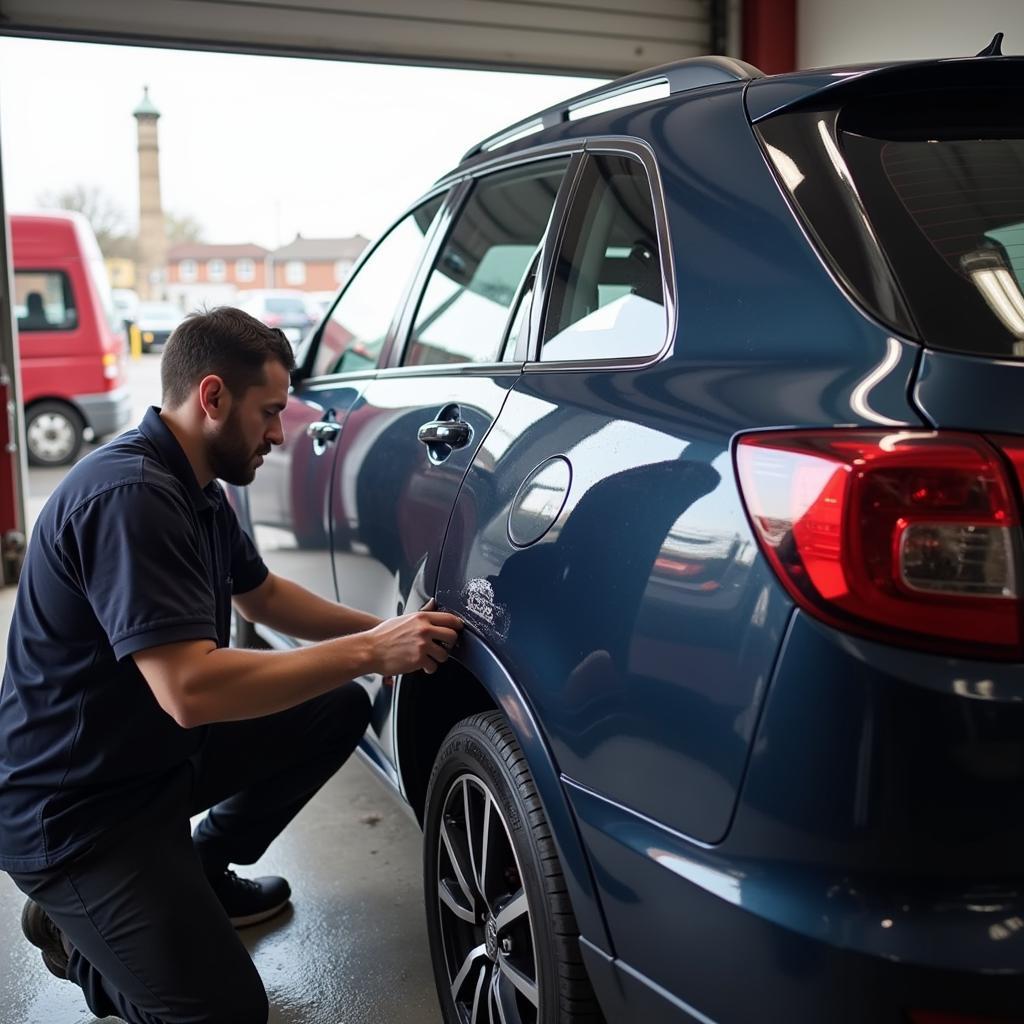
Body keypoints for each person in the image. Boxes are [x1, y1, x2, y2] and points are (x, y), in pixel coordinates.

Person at [0, 307, 463, 1024]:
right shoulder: (132, 498)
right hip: (76, 812)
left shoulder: (199, 487)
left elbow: (265, 595)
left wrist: (386, 629)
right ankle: (75, 941)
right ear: (212, 397)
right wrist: (373, 651)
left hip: (148, 760)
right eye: (270, 412)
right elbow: (190, 690)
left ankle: (203, 866)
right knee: (224, 1012)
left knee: (336, 704)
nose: (281, 435)